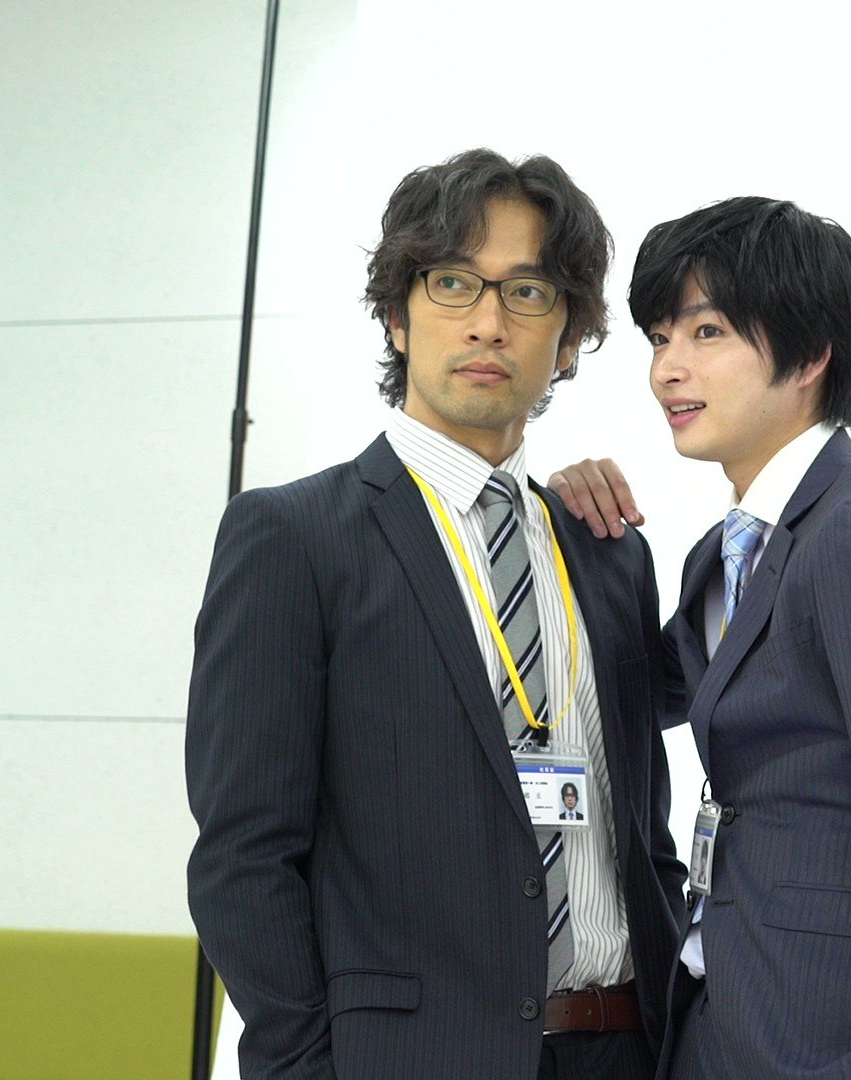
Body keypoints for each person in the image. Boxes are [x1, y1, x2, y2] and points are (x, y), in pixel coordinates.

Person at [186, 149, 688, 1080]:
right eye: (453, 283)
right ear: (397, 315)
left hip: (624, 1047)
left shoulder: (609, 552)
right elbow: (243, 861)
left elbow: (643, 832)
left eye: (528, 293)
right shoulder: (295, 538)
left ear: (570, 339)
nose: (489, 322)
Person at [550, 197, 851, 1078]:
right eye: (659, 339)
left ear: (811, 354)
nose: (667, 369)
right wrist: (565, 519)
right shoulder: (723, 556)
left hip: (832, 1042)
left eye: (706, 332)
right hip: (719, 1022)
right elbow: (624, 694)